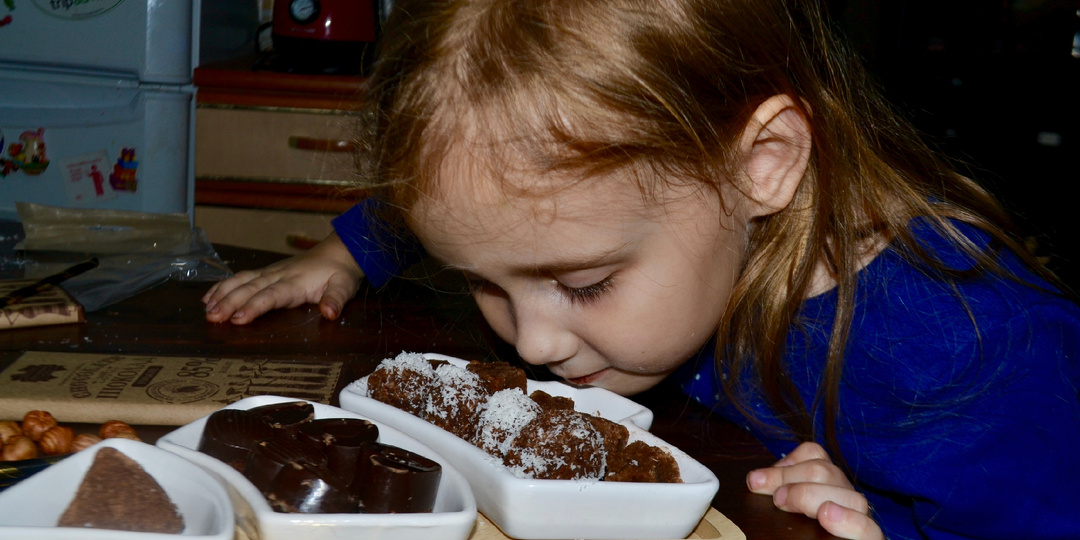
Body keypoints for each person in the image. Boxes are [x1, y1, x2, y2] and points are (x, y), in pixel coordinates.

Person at [203, 1, 1080, 538]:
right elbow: (481, 212)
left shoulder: (973, 360)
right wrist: (346, 251)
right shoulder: (630, 226)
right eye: (481, 281)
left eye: (584, 284)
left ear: (761, 164)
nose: (535, 340)